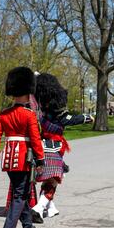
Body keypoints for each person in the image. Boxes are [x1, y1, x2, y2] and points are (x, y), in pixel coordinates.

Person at [30, 73, 91, 220]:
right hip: (54, 147)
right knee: (54, 179)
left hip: (41, 146)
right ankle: (39, 207)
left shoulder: (38, 109)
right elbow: (68, 119)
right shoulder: (56, 110)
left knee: (48, 179)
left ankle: (51, 208)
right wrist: (86, 118)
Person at [0, 67, 45, 228]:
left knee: (20, 191)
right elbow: (35, 139)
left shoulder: (3, 114)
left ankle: (27, 225)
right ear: (27, 91)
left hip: (8, 157)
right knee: (20, 194)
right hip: (23, 157)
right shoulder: (29, 114)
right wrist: (40, 159)